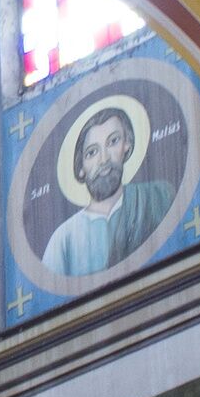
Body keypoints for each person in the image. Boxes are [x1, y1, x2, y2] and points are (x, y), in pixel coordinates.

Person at [42, 99, 171, 279]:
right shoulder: (63, 240)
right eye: (92, 152)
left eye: (113, 141)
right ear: (80, 167)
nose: (103, 160)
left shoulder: (158, 197)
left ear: (127, 145)